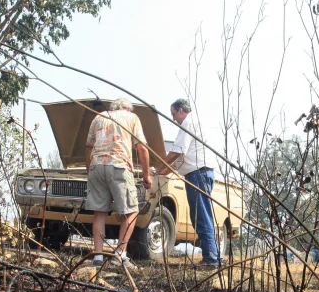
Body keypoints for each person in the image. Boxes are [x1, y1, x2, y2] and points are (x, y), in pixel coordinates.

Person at [84, 99, 152, 268]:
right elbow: (142, 148)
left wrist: (89, 171)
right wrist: (146, 175)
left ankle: (98, 258)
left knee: (99, 213)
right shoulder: (131, 117)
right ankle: (119, 255)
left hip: (96, 166)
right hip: (119, 166)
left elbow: (88, 146)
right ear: (127, 109)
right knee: (131, 212)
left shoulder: (99, 117)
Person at [157, 98, 222, 267]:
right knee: (202, 216)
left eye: (173, 114)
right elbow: (180, 161)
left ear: (180, 110)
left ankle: (211, 259)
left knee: (201, 216)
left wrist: (158, 166)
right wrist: (160, 171)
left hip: (198, 174)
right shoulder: (198, 123)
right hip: (201, 173)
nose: (174, 119)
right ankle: (213, 255)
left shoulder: (188, 123)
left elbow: (177, 152)